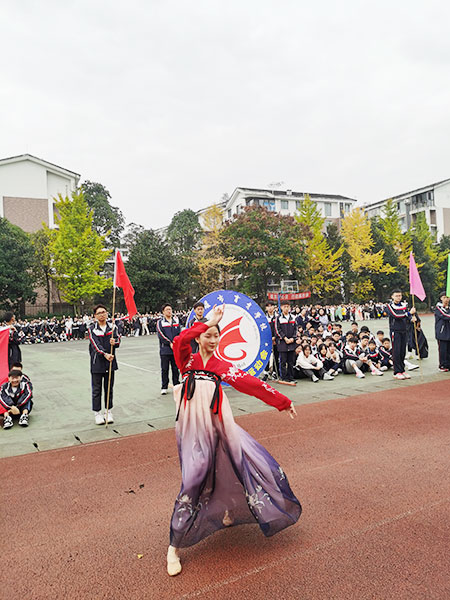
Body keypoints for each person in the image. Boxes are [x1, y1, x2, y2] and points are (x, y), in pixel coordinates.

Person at [166, 304, 301, 576]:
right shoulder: (187, 360)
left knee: (232, 463)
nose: (213, 340)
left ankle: (227, 507)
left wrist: (282, 402)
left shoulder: (221, 365)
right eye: (208, 335)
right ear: (199, 336)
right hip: (193, 430)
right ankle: (174, 546)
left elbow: (250, 384)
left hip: (220, 424)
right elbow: (180, 340)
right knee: (194, 478)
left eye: (217, 335)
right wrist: (206, 322)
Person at [88, 304, 121, 425]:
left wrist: (115, 342)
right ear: (95, 316)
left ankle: (108, 411)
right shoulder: (92, 328)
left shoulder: (113, 327)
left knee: (109, 388)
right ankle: (97, 413)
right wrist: (105, 354)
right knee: (97, 389)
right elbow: (95, 345)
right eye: (99, 313)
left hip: (111, 362)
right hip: (97, 363)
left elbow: (118, 340)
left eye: (104, 312)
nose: (102, 314)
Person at [385, 289, 416, 380]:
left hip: (404, 330)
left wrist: (411, 318)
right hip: (395, 331)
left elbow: (407, 316)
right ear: (392, 296)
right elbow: (396, 315)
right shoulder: (389, 306)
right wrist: (408, 313)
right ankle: (397, 371)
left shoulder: (403, 305)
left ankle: (402, 370)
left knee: (402, 351)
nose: (399, 297)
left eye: (400, 295)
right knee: (397, 351)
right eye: (397, 296)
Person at [157, 304, 181, 395]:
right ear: (163, 312)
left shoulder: (176, 320)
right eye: (167, 310)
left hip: (175, 349)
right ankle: (164, 386)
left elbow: (179, 333)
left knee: (176, 368)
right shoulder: (160, 322)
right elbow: (161, 335)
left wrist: (176, 343)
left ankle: (176, 385)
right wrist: (169, 343)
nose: (169, 311)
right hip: (165, 350)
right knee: (165, 369)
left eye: (170, 309)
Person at [275, 301, 298, 383]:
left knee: (291, 361)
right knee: (283, 362)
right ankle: (284, 377)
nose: (286, 308)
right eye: (284, 306)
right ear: (281, 307)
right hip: (282, 343)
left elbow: (296, 329)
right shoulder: (278, 318)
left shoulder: (293, 317)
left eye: (288, 306)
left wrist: (293, 338)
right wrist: (285, 338)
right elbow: (278, 330)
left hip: (292, 343)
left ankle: (291, 377)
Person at [434, 291, 450, 371]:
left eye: (447, 297)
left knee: (448, 349)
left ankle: (448, 364)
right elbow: (445, 316)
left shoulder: (448, 307)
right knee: (443, 350)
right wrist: (446, 309)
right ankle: (443, 365)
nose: (446, 299)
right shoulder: (438, 308)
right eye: (444, 298)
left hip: (449, 331)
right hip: (441, 332)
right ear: (441, 298)